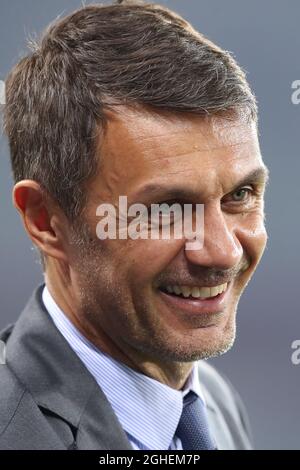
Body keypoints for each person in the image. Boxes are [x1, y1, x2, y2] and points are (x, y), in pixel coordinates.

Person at [0, 0, 268, 450]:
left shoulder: (216, 404)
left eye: (239, 195)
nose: (223, 252)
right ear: (45, 220)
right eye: (166, 208)